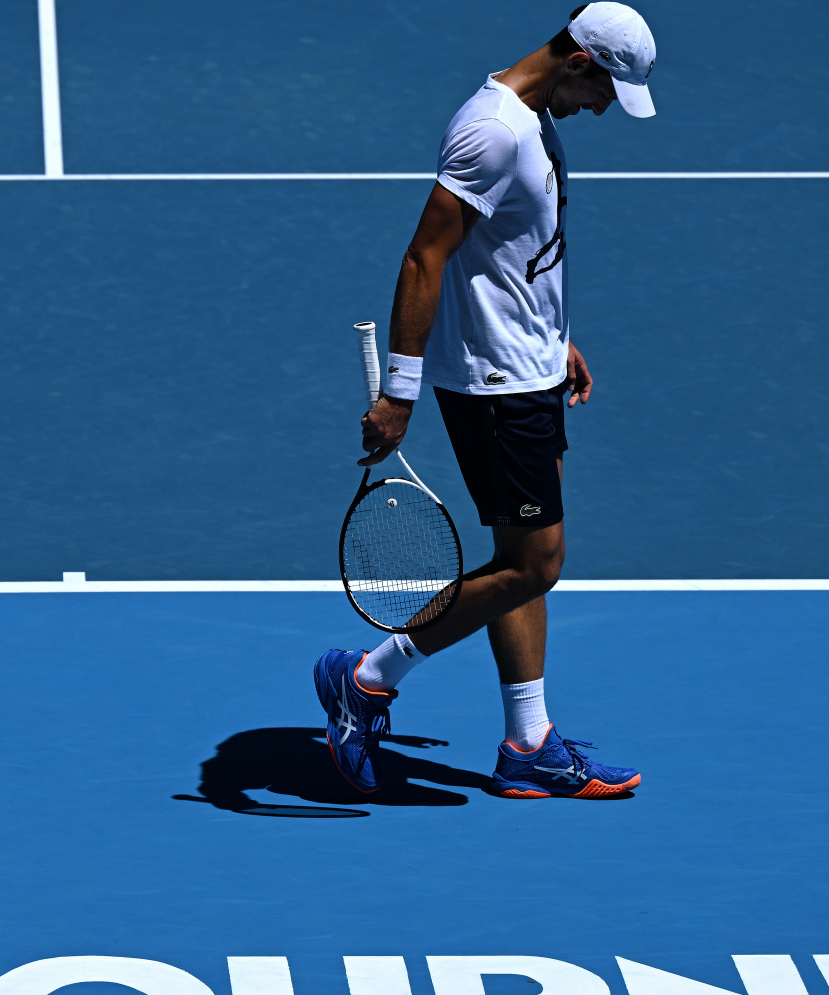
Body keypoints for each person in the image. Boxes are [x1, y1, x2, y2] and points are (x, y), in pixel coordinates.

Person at [313, 2, 657, 799]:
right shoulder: (493, 131)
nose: (606, 107)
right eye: (607, 89)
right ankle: (365, 679)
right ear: (579, 62)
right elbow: (423, 259)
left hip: (528, 369)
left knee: (521, 563)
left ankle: (528, 742)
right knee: (538, 563)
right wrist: (399, 395)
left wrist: (555, 336)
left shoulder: (534, 121)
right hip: (496, 387)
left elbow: (518, 250)